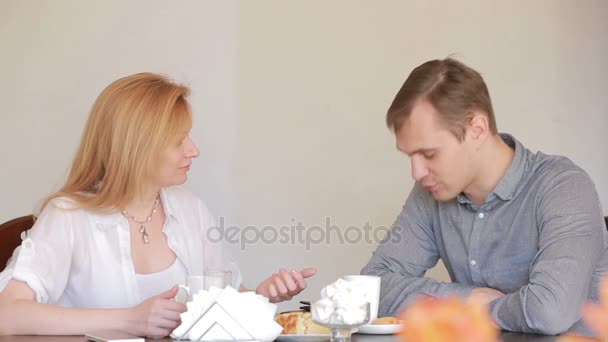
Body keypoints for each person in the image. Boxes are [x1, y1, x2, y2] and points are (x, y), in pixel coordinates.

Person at [0, 73, 316, 337]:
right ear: (136, 147)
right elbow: (7, 314)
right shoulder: (68, 216)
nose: (194, 150)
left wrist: (261, 295)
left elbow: (221, 304)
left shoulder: (190, 209)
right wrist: (128, 319)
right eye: (178, 140)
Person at [361, 58, 608, 336]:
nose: (416, 172)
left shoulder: (563, 187)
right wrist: (471, 298)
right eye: (410, 156)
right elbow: (371, 287)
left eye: (429, 154)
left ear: (477, 129)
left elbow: (549, 311)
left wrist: (469, 310)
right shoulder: (432, 191)